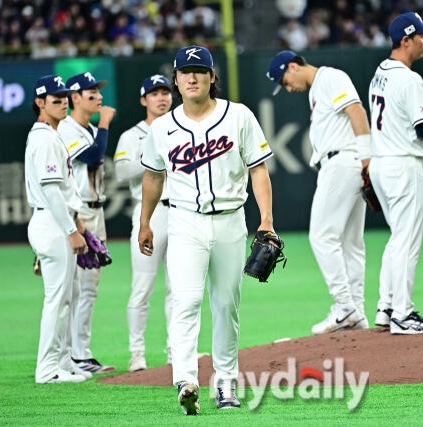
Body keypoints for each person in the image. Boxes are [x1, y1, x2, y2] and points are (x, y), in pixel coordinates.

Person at [138, 45, 276, 415]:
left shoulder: (239, 116)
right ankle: (185, 380)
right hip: (185, 221)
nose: (193, 77)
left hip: (230, 219)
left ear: (212, 76)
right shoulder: (162, 128)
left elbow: (258, 169)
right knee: (185, 301)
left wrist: (266, 220)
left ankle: (226, 383)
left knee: (226, 304)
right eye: (185, 72)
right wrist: (145, 221)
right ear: (177, 79)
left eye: (200, 71)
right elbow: (153, 177)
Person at [266, 50, 370, 334]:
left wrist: (367, 158)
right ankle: (356, 311)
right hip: (348, 162)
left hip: (342, 162)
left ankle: (345, 306)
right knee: (350, 243)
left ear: (293, 66)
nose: (288, 88)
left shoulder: (330, 77)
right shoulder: (318, 87)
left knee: (322, 236)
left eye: (285, 81)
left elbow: (357, 111)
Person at [368, 12, 423, 335]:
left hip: (381, 163)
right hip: (402, 164)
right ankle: (403, 313)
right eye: (421, 36)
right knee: (406, 241)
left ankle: (387, 306)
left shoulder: (380, 71)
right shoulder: (409, 79)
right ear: (405, 40)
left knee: (397, 238)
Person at [25, 74, 89, 383]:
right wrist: (70, 230)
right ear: (40, 102)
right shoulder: (46, 139)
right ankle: (48, 370)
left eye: (64, 98)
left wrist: (74, 221)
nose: (63, 103)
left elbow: (59, 190)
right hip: (52, 223)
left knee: (69, 295)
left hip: (56, 220)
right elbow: (51, 190)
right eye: (56, 99)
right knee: (58, 299)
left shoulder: (49, 134)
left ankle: (64, 363)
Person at [114, 74, 174, 372]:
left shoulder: (181, 127)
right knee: (142, 287)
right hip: (150, 214)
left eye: (165, 92)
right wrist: (156, 156)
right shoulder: (132, 135)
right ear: (143, 100)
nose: (161, 98)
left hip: (181, 212)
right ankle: (136, 353)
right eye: (154, 93)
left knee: (179, 289)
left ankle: (176, 351)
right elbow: (121, 172)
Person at [58, 71, 117, 372]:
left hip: (97, 211)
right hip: (78, 213)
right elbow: (93, 157)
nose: (99, 96)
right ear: (75, 98)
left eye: (99, 91)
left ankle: (81, 353)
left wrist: (100, 126)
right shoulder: (66, 129)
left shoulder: (90, 130)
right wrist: (105, 122)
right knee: (74, 288)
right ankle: (68, 355)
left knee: (89, 286)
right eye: (91, 92)